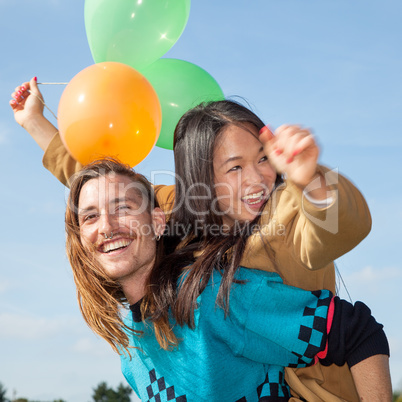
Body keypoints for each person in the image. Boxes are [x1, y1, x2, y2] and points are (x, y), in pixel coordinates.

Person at [11, 78, 373, 401]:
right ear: (202, 177)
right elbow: (103, 189)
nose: (257, 179)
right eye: (235, 167)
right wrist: (34, 122)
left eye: (265, 159)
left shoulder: (287, 214)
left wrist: (310, 180)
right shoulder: (177, 210)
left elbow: (341, 228)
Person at [66, 158, 391, 402]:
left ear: (157, 222)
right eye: (91, 216)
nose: (106, 226)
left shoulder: (209, 295)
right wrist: (35, 121)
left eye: (122, 207)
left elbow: (355, 330)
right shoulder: (129, 346)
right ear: (81, 237)